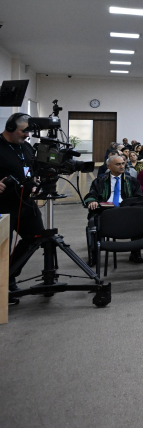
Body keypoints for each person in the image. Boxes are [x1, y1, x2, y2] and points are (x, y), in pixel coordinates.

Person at [0, 113, 47, 303]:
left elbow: (32, 171)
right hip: (2, 206)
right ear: (10, 128)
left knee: (36, 238)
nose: (27, 135)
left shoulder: (26, 147)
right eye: (23, 131)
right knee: (2, 246)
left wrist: (35, 183)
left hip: (26, 203)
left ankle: (9, 276)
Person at [85, 153, 143, 262]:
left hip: (126, 210)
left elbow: (139, 197)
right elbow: (91, 194)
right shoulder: (100, 180)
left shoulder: (131, 180)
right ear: (109, 167)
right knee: (93, 222)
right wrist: (92, 201)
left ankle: (135, 252)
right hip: (105, 211)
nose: (122, 166)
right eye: (118, 164)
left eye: (123, 163)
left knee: (139, 220)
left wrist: (131, 205)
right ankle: (94, 253)